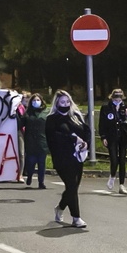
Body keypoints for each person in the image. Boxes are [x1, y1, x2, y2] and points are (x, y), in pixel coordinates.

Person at [46, 90, 90, 228]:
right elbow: (54, 138)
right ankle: (76, 218)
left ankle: (60, 207)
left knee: (73, 188)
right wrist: (73, 138)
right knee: (71, 185)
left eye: (67, 101)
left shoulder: (75, 116)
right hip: (62, 158)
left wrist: (86, 143)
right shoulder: (52, 119)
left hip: (77, 157)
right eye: (62, 102)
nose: (65, 104)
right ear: (57, 103)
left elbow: (86, 131)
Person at [100, 88, 127, 194]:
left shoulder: (125, 107)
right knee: (114, 160)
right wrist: (103, 137)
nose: (118, 100)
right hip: (111, 136)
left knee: (122, 161)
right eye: (116, 98)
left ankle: (122, 185)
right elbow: (102, 124)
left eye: (120, 97)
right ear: (112, 97)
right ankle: (112, 176)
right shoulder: (106, 107)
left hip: (123, 137)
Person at [19, 92, 49, 189]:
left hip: (42, 141)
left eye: (38, 100)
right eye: (34, 100)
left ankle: (41, 182)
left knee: (41, 163)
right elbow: (20, 125)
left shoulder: (46, 113)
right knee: (31, 162)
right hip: (30, 141)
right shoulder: (27, 113)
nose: (36, 102)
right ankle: (30, 176)